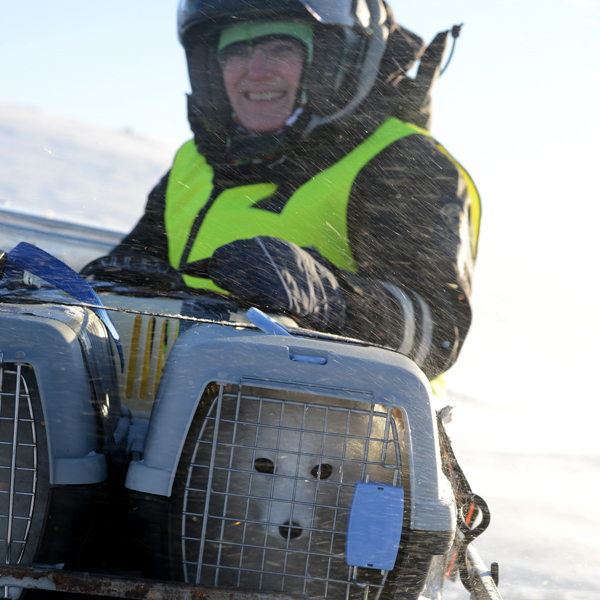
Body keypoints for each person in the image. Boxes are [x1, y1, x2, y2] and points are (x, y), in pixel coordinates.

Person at [93, 0, 480, 382]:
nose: (256, 72)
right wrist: (118, 281)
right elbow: (139, 257)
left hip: (335, 429)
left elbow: (438, 334)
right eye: (236, 51)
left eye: (282, 48)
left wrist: (330, 299)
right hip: (166, 413)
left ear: (335, 61)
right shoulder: (196, 158)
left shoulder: (402, 161)